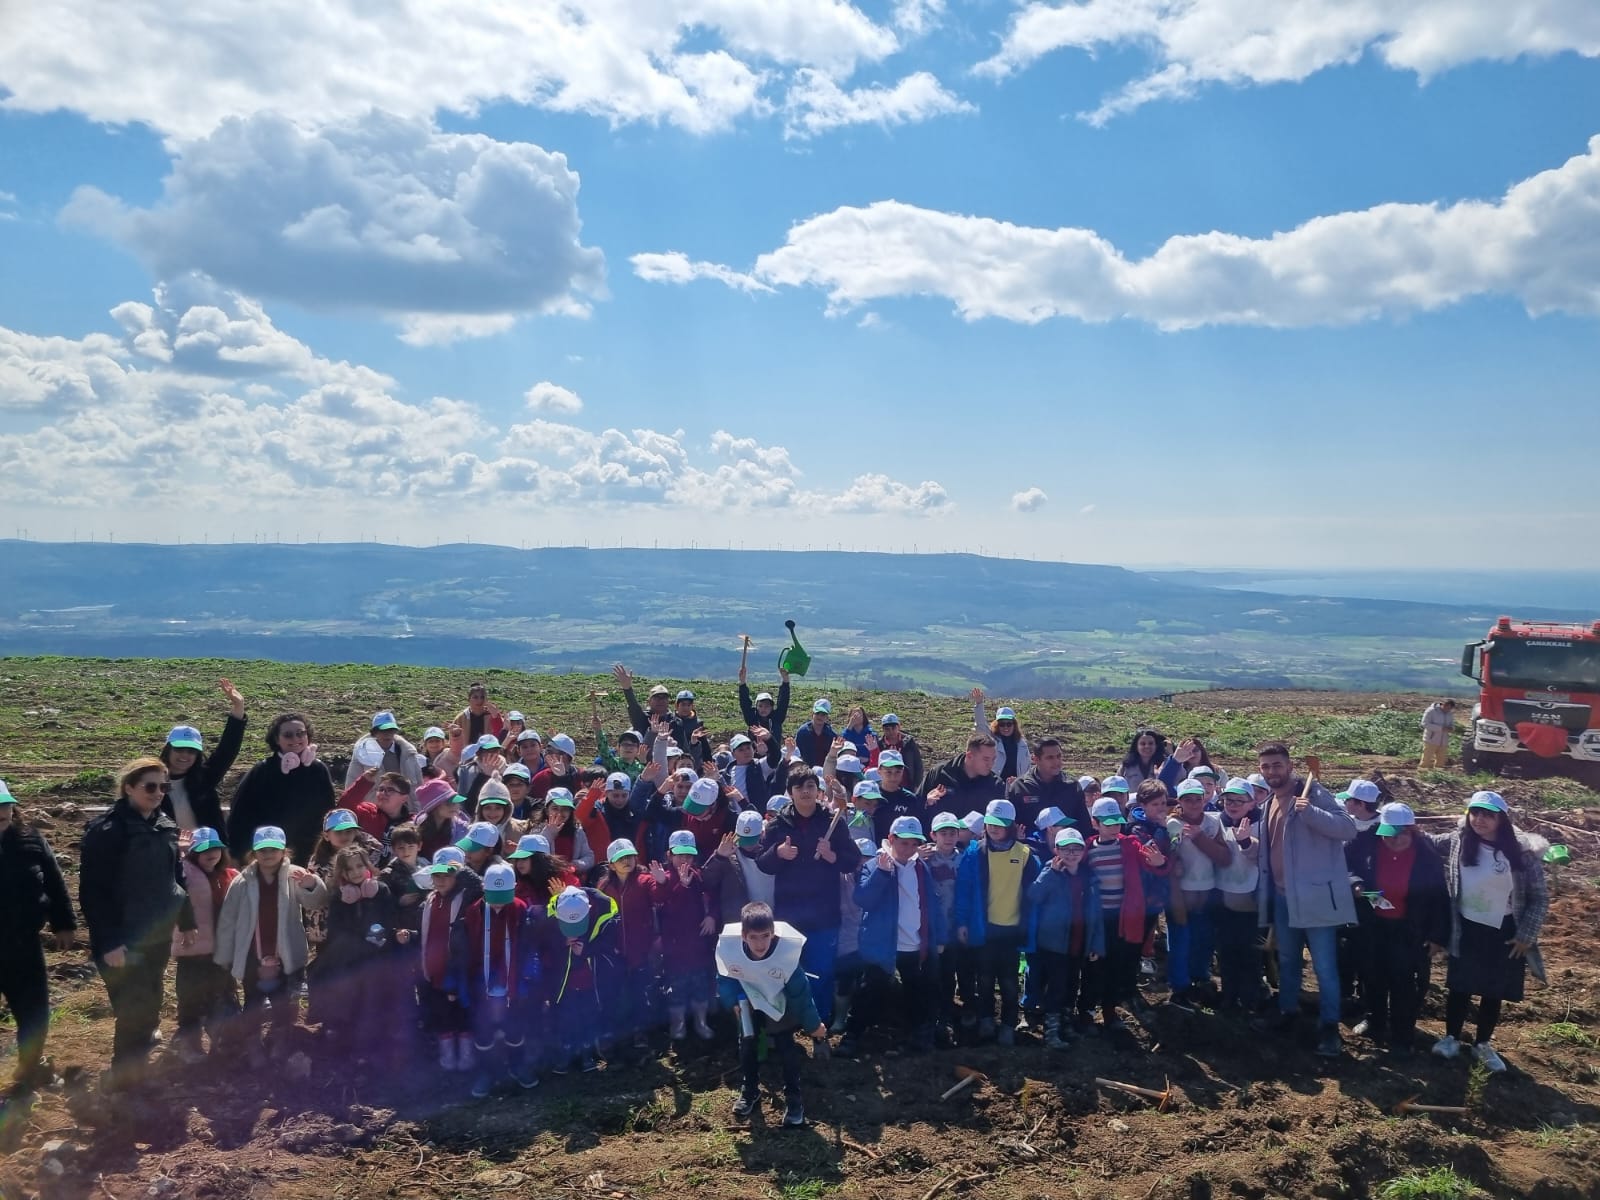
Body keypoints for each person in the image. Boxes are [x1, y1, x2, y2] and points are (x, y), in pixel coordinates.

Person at [79, 757, 186, 1086]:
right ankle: (124, 1080)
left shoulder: (164, 825)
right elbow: (93, 893)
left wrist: (186, 917)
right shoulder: (107, 831)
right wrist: (110, 941)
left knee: (151, 998)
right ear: (128, 788)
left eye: (163, 787)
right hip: (122, 937)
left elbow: (175, 876)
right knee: (132, 1008)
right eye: (150, 787)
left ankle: (138, 1059)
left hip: (156, 933)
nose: (158, 793)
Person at [1429, 791, 1549, 1073]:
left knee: (1492, 990)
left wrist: (1526, 935)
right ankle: (1451, 1038)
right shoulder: (1460, 841)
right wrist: (1397, 825)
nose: (1480, 820)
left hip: (1504, 931)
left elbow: (1539, 897)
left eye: (1487, 815)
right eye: (1475, 813)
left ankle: (1482, 1044)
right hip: (1466, 926)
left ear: (1501, 820)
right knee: (1460, 986)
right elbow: (1429, 843)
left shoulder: (1520, 853)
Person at [1253, 742, 1358, 1058]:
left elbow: (1347, 828)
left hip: (1314, 897)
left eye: (1277, 765)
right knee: (1287, 961)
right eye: (1266, 766)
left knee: (1324, 967)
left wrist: (1310, 812)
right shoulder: (1269, 802)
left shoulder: (1313, 793)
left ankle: (1329, 1027)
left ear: (1289, 765)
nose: (1272, 771)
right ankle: (1288, 1012)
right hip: (1284, 898)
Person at [212, 825, 328, 1068]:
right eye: (262, 849)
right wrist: (225, 954)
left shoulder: (294, 875)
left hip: (284, 953)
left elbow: (315, 901)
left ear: (284, 851)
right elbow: (228, 919)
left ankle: (279, 1039)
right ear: (254, 852)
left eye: (273, 849)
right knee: (253, 1000)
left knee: (282, 1000)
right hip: (252, 953)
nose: (268, 854)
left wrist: (311, 884)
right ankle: (253, 1044)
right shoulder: (242, 881)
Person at [756, 770, 865, 1025]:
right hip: (789, 916)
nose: (805, 791)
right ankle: (789, 1022)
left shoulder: (833, 822)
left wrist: (832, 857)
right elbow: (762, 863)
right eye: (798, 787)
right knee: (786, 972)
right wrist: (778, 853)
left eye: (810, 786)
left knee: (822, 972)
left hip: (824, 914)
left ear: (818, 791)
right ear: (790, 792)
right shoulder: (777, 825)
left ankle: (819, 1023)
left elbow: (852, 859)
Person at [1343, 803, 1448, 1059]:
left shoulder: (1427, 857)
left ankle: (1403, 1037)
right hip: (1373, 924)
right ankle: (1375, 1020)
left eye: (1401, 834)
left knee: (1404, 984)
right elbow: (1346, 869)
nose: (1395, 840)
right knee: (1372, 976)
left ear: (1412, 831)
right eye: (1389, 834)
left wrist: (1437, 937)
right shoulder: (1364, 844)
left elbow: (1440, 899)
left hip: (1408, 928)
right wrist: (1357, 886)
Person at [839, 816, 946, 1056]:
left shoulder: (921, 868)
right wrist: (883, 873)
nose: (908, 849)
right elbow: (863, 899)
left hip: (914, 943)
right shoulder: (874, 866)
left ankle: (919, 1036)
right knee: (871, 990)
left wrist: (939, 937)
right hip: (882, 945)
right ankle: (853, 1034)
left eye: (913, 844)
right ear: (891, 840)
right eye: (903, 843)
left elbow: (931, 903)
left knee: (918, 990)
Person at [716, 902, 828, 1128]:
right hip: (748, 1000)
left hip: (780, 1002)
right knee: (747, 1044)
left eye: (765, 936)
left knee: (787, 1048)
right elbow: (724, 977)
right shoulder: (730, 948)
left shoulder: (786, 955)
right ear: (743, 936)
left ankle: (794, 1098)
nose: (760, 943)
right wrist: (732, 1002)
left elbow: (801, 995)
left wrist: (814, 1025)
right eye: (753, 937)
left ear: (773, 934)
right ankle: (750, 1090)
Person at [0, 780, 76, 1096]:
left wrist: (64, 923)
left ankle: (30, 1068)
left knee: (34, 1012)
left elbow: (55, 882)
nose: (0, 812)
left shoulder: (30, 839)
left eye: (4, 805)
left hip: (23, 944)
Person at [953, 799, 1041, 1044]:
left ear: (1011, 826)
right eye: (990, 823)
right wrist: (962, 922)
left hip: (1012, 929)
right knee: (984, 977)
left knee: (1010, 981)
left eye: (1000, 824)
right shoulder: (975, 852)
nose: (994, 828)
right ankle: (986, 1019)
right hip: (984, 928)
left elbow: (1035, 894)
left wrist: (1030, 929)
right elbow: (964, 890)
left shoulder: (1024, 855)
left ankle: (1009, 1023)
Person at [1084, 797, 1170, 1032]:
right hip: (1098, 920)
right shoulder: (1087, 849)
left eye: (1117, 823)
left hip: (1123, 918)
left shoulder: (1130, 844)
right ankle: (1087, 1012)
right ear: (1095, 823)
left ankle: (1110, 1012)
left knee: (1118, 963)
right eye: (1108, 823)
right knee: (1094, 964)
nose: (1114, 828)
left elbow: (1152, 863)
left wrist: (1160, 863)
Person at [313, 845, 394, 1065]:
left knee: (373, 1000)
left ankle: (370, 1045)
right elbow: (337, 931)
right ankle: (342, 1040)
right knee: (347, 997)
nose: (356, 872)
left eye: (360, 866)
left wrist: (378, 939)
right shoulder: (339, 897)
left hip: (375, 956)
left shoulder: (381, 891)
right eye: (350, 869)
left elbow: (388, 921)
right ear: (343, 874)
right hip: (349, 958)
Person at [398, 847, 475, 1071]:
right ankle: (447, 1058)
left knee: (462, 1015)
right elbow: (426, 935)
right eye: (437, 875)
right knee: (441, 1016)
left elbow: (477, 885)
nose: (441, 880)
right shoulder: (428, 902)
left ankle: (467, 1058)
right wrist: (410, 936)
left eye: (447, 875)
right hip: (433, 971)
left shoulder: (466, 899)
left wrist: (462, 871)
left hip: (457, 971)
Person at [1027, 828, 1104, 1048]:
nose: (1071, 854)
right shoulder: (1050, 872)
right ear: (1056, 850)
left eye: (1076, 848)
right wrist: (1050, 873)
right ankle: (1051, 1030)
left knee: (1072, 984)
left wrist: (1096, 943)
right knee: (1056, 986)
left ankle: (1066, 1023)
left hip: (1078, 941)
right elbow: (1034, 895)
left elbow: (1096, 913)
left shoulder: (1089, 877)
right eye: (1065, 849)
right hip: (1054, 943)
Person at [464, 862, 535, 1096]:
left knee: (514, 1026)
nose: (497, 903)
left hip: (512, 979)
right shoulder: (474, 911)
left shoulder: (520, 909)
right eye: (493, 897)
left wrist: (526, 974)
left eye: (503, 897)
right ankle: (487, 1071)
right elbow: (467, 949)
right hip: (481, 982)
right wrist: (467, 980)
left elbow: (527, 945)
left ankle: (517, 1065)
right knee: (483, 1030)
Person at [226, 713, 336, 864]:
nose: (296, 739)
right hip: (268, 853)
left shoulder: (318, 769)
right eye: (288, 735)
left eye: (300, 734)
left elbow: (328, 813)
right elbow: (239, 817)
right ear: (277, 739)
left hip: (309, 855)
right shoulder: (262, 770)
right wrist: (238, 854)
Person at [169, 826, 238, 1064]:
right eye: (203, 850)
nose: (211, 854)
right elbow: (170, 878)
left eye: (215, 848)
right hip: (192, 951)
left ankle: (224, 1041)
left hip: (220, 952)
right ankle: (189, 1044)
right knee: (190, 1000)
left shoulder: (228, 876)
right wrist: (178, 854)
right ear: (192, 853)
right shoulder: (185, 872)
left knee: (223, 995)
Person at [1167, 779, 1232, 1008]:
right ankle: (1179, 987)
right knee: (1181, 940)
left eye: (1198, 798)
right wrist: (1173, 866)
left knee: (1203, 939)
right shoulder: (1172, 825)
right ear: (1180, 801)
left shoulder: (1212, 824)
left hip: (1207, 893)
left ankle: (1200, 978)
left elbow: (1224, 858)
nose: (1194, 804)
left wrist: (1199, 837)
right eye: (1188, 799)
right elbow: (1167, 858)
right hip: (1182, 894)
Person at [649, 830, 718, 1043]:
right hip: (674, 948)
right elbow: (659, 902)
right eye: (680, 855)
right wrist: (672, 885)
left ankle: (701, 1021)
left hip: (698, 945)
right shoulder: (663, 878)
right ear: (669, 854)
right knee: (676, 989)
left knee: (700, 986)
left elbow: (713, 898)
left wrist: (712, 917)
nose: (684, 860)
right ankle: (677, 1023)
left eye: (689, 855)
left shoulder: (698, 876)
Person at [547, 885, 624, 1074]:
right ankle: (565, 1055)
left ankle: (587, 1054)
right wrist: (561, 942)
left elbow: (610, 943)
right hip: (565, 979)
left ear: (589, 909)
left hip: (592, 977)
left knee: (588, 1016)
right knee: (567, 1018)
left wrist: (587, 949)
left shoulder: (606, 909)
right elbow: (545, 940)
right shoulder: (553, 907)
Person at [596, 838, 659, 1058]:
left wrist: (662, 882)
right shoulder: (604, 887)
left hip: (640, 948)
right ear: (611, 864)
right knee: (612, 995)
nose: (626, 861)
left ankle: (640, 1034)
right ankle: (610, 1035)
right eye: (620, 858)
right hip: (613, 952)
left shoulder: (645, 881)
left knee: (640, 994)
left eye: (630, 857)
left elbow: (659, 897)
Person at [159, 677, 247, 831]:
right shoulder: (153, 781)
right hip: (168, 852)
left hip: (208, 852)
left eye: (192, 751)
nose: (185, 755)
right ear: (168, 749)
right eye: (179, 749)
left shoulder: (205, 777)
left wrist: (238, 707)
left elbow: (227, 750)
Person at [1214, 779, 1265, 1016]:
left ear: (1252, 803)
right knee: (1226, 950)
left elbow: (1263, 857)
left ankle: (1250, 998)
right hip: (1224, 896)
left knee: (1250, 953)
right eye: (1228, 800)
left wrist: (1246, 841)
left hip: (1250, 901)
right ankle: (1229, 995)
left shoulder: (1261, 825)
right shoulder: (1218, 823)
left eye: (1239, 801)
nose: (1232, 805)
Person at [1007, 736, 1088, 836]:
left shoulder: (1072, 786)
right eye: (1050, 758)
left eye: (1059, 756)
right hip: (1031, 847)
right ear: (1035, 759)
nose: (1056, 762)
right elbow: (1011, 825)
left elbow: (1084, 825)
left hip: (1066, 847)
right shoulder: (1020, 787)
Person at [705, 810, 774, 925]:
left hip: (773, 919)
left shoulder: (773, 852)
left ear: (762, 834)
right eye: (743, 840)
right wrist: (719, 857)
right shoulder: (728, 854)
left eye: (751, 840)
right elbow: (707, 882)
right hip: (740, 922)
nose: (747, 845)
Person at [923, 733, 1006, 818]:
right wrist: (926, 803)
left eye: (993, 759)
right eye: (986, 759)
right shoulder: (940, 773)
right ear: (970, 756)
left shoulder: (996, 785)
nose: (991, 764)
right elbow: (916, 806)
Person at [345, 711, 423, 789]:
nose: (387, 734)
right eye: (383, 731)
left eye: (391, 731)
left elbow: (419, 783)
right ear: (374, 733)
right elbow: (352, 784)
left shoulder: (408, 753)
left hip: (404, 800)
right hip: (373, 801)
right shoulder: (362, 754)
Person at [973, 689, 1031, 782]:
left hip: (1016, 787)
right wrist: (979, 704)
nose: (1005, 727)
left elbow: (1028, 769)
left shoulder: (1022, 744)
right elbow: (981, 725)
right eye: (1002, 724)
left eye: (1009, 724)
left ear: (1014, 725)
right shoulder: (991, 739)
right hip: (994, 786)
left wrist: (1019, 782)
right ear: (997, 725)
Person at [343, 770, 413, 845]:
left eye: (390, 790)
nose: (383, 793)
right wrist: (364, 782)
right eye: (381, 789)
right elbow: (343, 810)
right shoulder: (366, 812)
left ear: (404, 798)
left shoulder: (413, 822)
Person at [738, 664, 792, 747]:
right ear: (756, 707)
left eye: (767, 706)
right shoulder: (751, 718)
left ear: (771, 708)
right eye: (760, 706)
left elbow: (783, 701)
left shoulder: (777, 718)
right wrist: (742, 682)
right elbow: (744, 702)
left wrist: (786, 681)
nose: (763, 709)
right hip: (755, 754)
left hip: (774, 754)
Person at [872, 714, 926, 793]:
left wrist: (917, 784)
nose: (891, 731)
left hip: (908, 785)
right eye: (887, 729)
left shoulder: (908, 742)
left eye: (893, 728)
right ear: (883, 729)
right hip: (888, 786)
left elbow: (918, 764)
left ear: (899, 727)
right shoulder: (880, 744)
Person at [794, 700, 838, 769]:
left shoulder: (831, 735)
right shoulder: (803, 732)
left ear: (827, 717)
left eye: (823, 714)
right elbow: (796, 752)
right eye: (817, 713)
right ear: (812, 714)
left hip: (825, 771)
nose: (820, 716)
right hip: (806, 770)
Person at [1420, 699, 1456, 770]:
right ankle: (1422, 773)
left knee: (1441, 760)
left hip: (1444, 741)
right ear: (1443, 705)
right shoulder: (1431, 711)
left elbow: (1452, 724)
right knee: (1426, 759)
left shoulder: (1449, 714)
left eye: (1450, 708)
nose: (1448, 710)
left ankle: (1438, 774)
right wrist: (1440, 728)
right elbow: (1425, 724)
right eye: (1447, 708)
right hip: (1431, 739)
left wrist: (1452, 728)